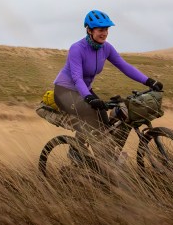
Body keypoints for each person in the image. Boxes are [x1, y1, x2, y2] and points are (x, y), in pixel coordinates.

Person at [53, 9, 163, 163]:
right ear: (89, 30)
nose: (104, 33)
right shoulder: (77, 48)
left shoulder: (106, 48)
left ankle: (98, 158)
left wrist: (149, 81)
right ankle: (83, 157)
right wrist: (89, 98)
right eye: (100, 30)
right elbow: (77, 78)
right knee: (93, 120)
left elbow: (125, 67)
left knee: (104, 123)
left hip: (85, 91)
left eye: (106, 30)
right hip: (65, 91)